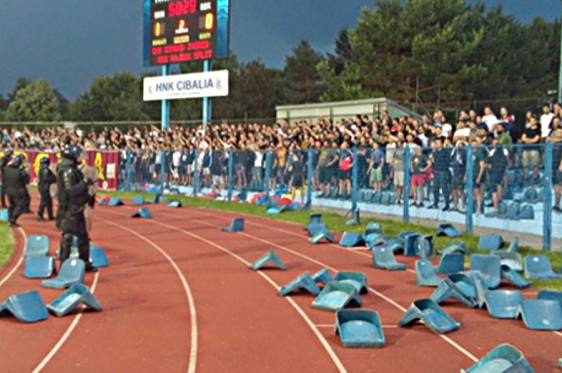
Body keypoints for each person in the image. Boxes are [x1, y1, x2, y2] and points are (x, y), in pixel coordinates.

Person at [57, 145, 97, 272]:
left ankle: (85, 263)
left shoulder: (72, 169)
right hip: (69, 208)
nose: (81, 157)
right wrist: (84, 182)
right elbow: (70, 191)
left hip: (76, 207)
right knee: (68, 236)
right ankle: (64, 264)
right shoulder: (67, 171)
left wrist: (88, 196)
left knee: (83, 237)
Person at [3, 154, 27, 227]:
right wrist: (24, 171)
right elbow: (26, 180)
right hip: (18, 190)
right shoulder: (20, 171)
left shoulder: (6, 169)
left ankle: (10, 219)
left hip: (8, 190)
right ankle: (12, 219)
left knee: (12, 205)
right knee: (20, 206)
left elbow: (4, 179)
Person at [37, 156, 57, 222]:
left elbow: (52, 176)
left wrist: (55, 178)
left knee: (48, 201)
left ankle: (50, 215)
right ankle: (40, 215)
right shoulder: (45, 169)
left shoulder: (42, 169)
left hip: (43, 186)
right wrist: (54, 179)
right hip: (44, 186)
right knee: (44, 201)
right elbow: (46, 178)